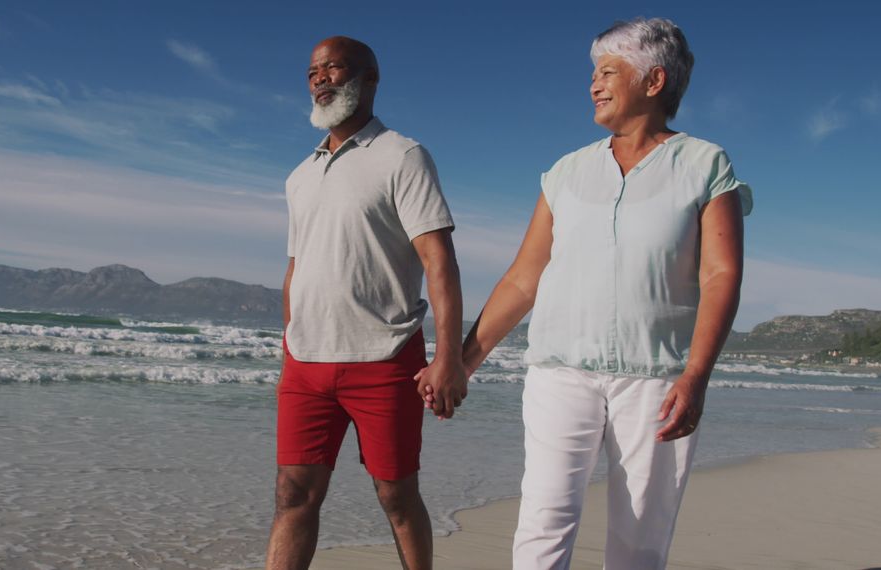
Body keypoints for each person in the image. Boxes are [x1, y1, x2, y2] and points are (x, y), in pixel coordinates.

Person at [439, 18, 753, 569]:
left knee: (639, 538)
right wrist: (463, 361)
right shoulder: (565, 171)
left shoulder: (705, 164)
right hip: (561, 371)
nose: (593, 84)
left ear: (653, 81)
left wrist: (696, 375)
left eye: (608, 71)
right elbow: (523, 278)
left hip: (657, 377)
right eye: (593, 73)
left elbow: (720, 274)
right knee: (542, 520)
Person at [265, 36, 468, 570]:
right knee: (292, 495)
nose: (320, 79)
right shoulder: (300, 174)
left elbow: (438, 261)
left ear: (369, 78)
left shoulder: (402, 155)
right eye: (313, 71)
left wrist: (448, 358)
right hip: (306, 364)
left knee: (396, 498)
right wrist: (290, 339)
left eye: (334, 68)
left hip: (384, 359)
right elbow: (297, 266)